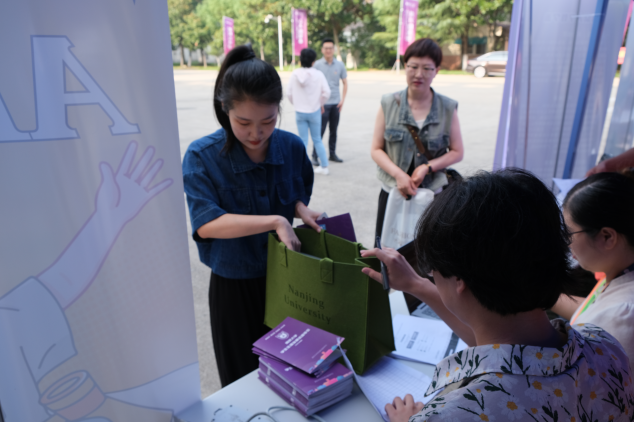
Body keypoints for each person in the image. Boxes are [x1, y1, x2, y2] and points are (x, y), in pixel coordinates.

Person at [360, 168, 634, 422]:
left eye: (433, 271)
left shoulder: (453, 414)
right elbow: (503, 349)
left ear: (459, 281)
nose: (432, 276)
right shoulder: (607, 347)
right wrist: (417, 284)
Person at [182, 45, 323, 387]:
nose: (256, 133)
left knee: (294, 376)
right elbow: (207, 224)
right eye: (243, 122)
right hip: (234, 288)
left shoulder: (292, 147)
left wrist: (300, 209)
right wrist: (276, 221)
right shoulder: (202, 157)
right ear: (225, 108)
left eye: (268, 121)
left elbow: (295, 192)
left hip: (289, 282)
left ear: (279, 108)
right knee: (241, 382)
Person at [370, 38, 464, 240]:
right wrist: (398, 175)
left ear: (437, 70)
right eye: (413, 67)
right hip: (392, 192)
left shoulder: (448, 107)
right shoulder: (388, 102)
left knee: (427, 250)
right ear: (405, 66)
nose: (419, 74)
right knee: (387, 246)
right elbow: (376, 149)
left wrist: (426, 167)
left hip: (432, 195)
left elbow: (457, 152)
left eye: (427, 68)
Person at [551, 172, 634, 360]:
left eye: (569, 234)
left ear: (607, 237)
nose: (566, 243)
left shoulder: (623, 315)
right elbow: (593, 311)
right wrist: (544, 295)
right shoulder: (619, 270)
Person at [288, 48, 331, 176]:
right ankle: (324, 166)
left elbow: (289, 93)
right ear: (313, 61)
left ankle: (301, 168)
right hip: (314, 111)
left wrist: (296, 103)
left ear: (300, 60)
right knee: (317, 139)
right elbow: (327, 92)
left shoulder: (295, 74)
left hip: (299, 112)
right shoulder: (318, 74)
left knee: (302, 141)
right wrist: (320, 103)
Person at [312, 38, 348, 165]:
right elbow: (312, 85)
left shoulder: (340, 65)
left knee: (334, 131)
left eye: (330, 48)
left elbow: (345, 82)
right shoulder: (317, 65)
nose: (328, 50)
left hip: (336, 103)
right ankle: (315, 156)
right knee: (320, 131)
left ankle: (332, 154)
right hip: (322, 104)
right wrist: (318, 102)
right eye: (326, 48)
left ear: (334, 49)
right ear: (322, 50)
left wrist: (342, 100)